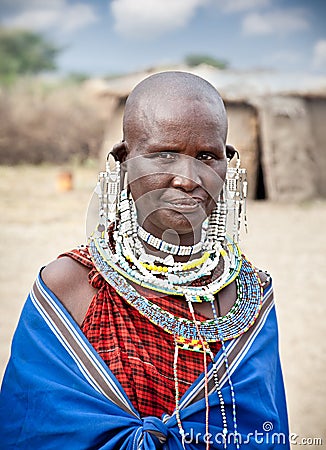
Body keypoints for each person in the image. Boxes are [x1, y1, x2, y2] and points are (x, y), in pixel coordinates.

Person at [0, 71, 289, 449]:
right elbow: (32, 430)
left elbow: (264, 431)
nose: (188, 178)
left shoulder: (250, 296)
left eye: (207, 156)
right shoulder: (69, 287)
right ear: (123, 160)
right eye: (164, 154)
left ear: (227, 163)